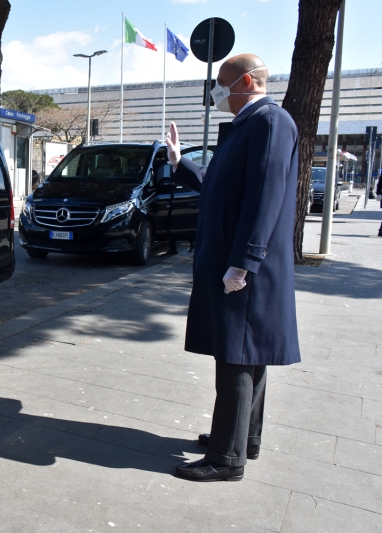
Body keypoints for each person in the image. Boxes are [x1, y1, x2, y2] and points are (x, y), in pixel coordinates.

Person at [165, 54, 301, 482]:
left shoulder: (269, 121)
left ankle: (226, 458)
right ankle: (243, 437)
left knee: (236, 356)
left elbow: (264, 197)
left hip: (243, 266)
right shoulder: (250, 124)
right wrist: (179, 162)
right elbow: (218, 186)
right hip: (236, 261)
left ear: (245, 82)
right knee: (248, 354)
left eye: (221, 82)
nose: (215, 92)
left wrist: (243, 263)